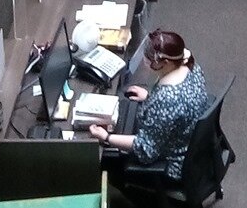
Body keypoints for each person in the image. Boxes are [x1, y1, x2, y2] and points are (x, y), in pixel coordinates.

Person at [88, 28, 208, 179]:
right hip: (189, 140)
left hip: (173, 162)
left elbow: (146, 150)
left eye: (148, 59)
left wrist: (106, 137)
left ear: (165, 62)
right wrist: (149, 97)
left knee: (108, 160)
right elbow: (178, 107)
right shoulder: (191, 67)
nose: (145, 60)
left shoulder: (166, 100)